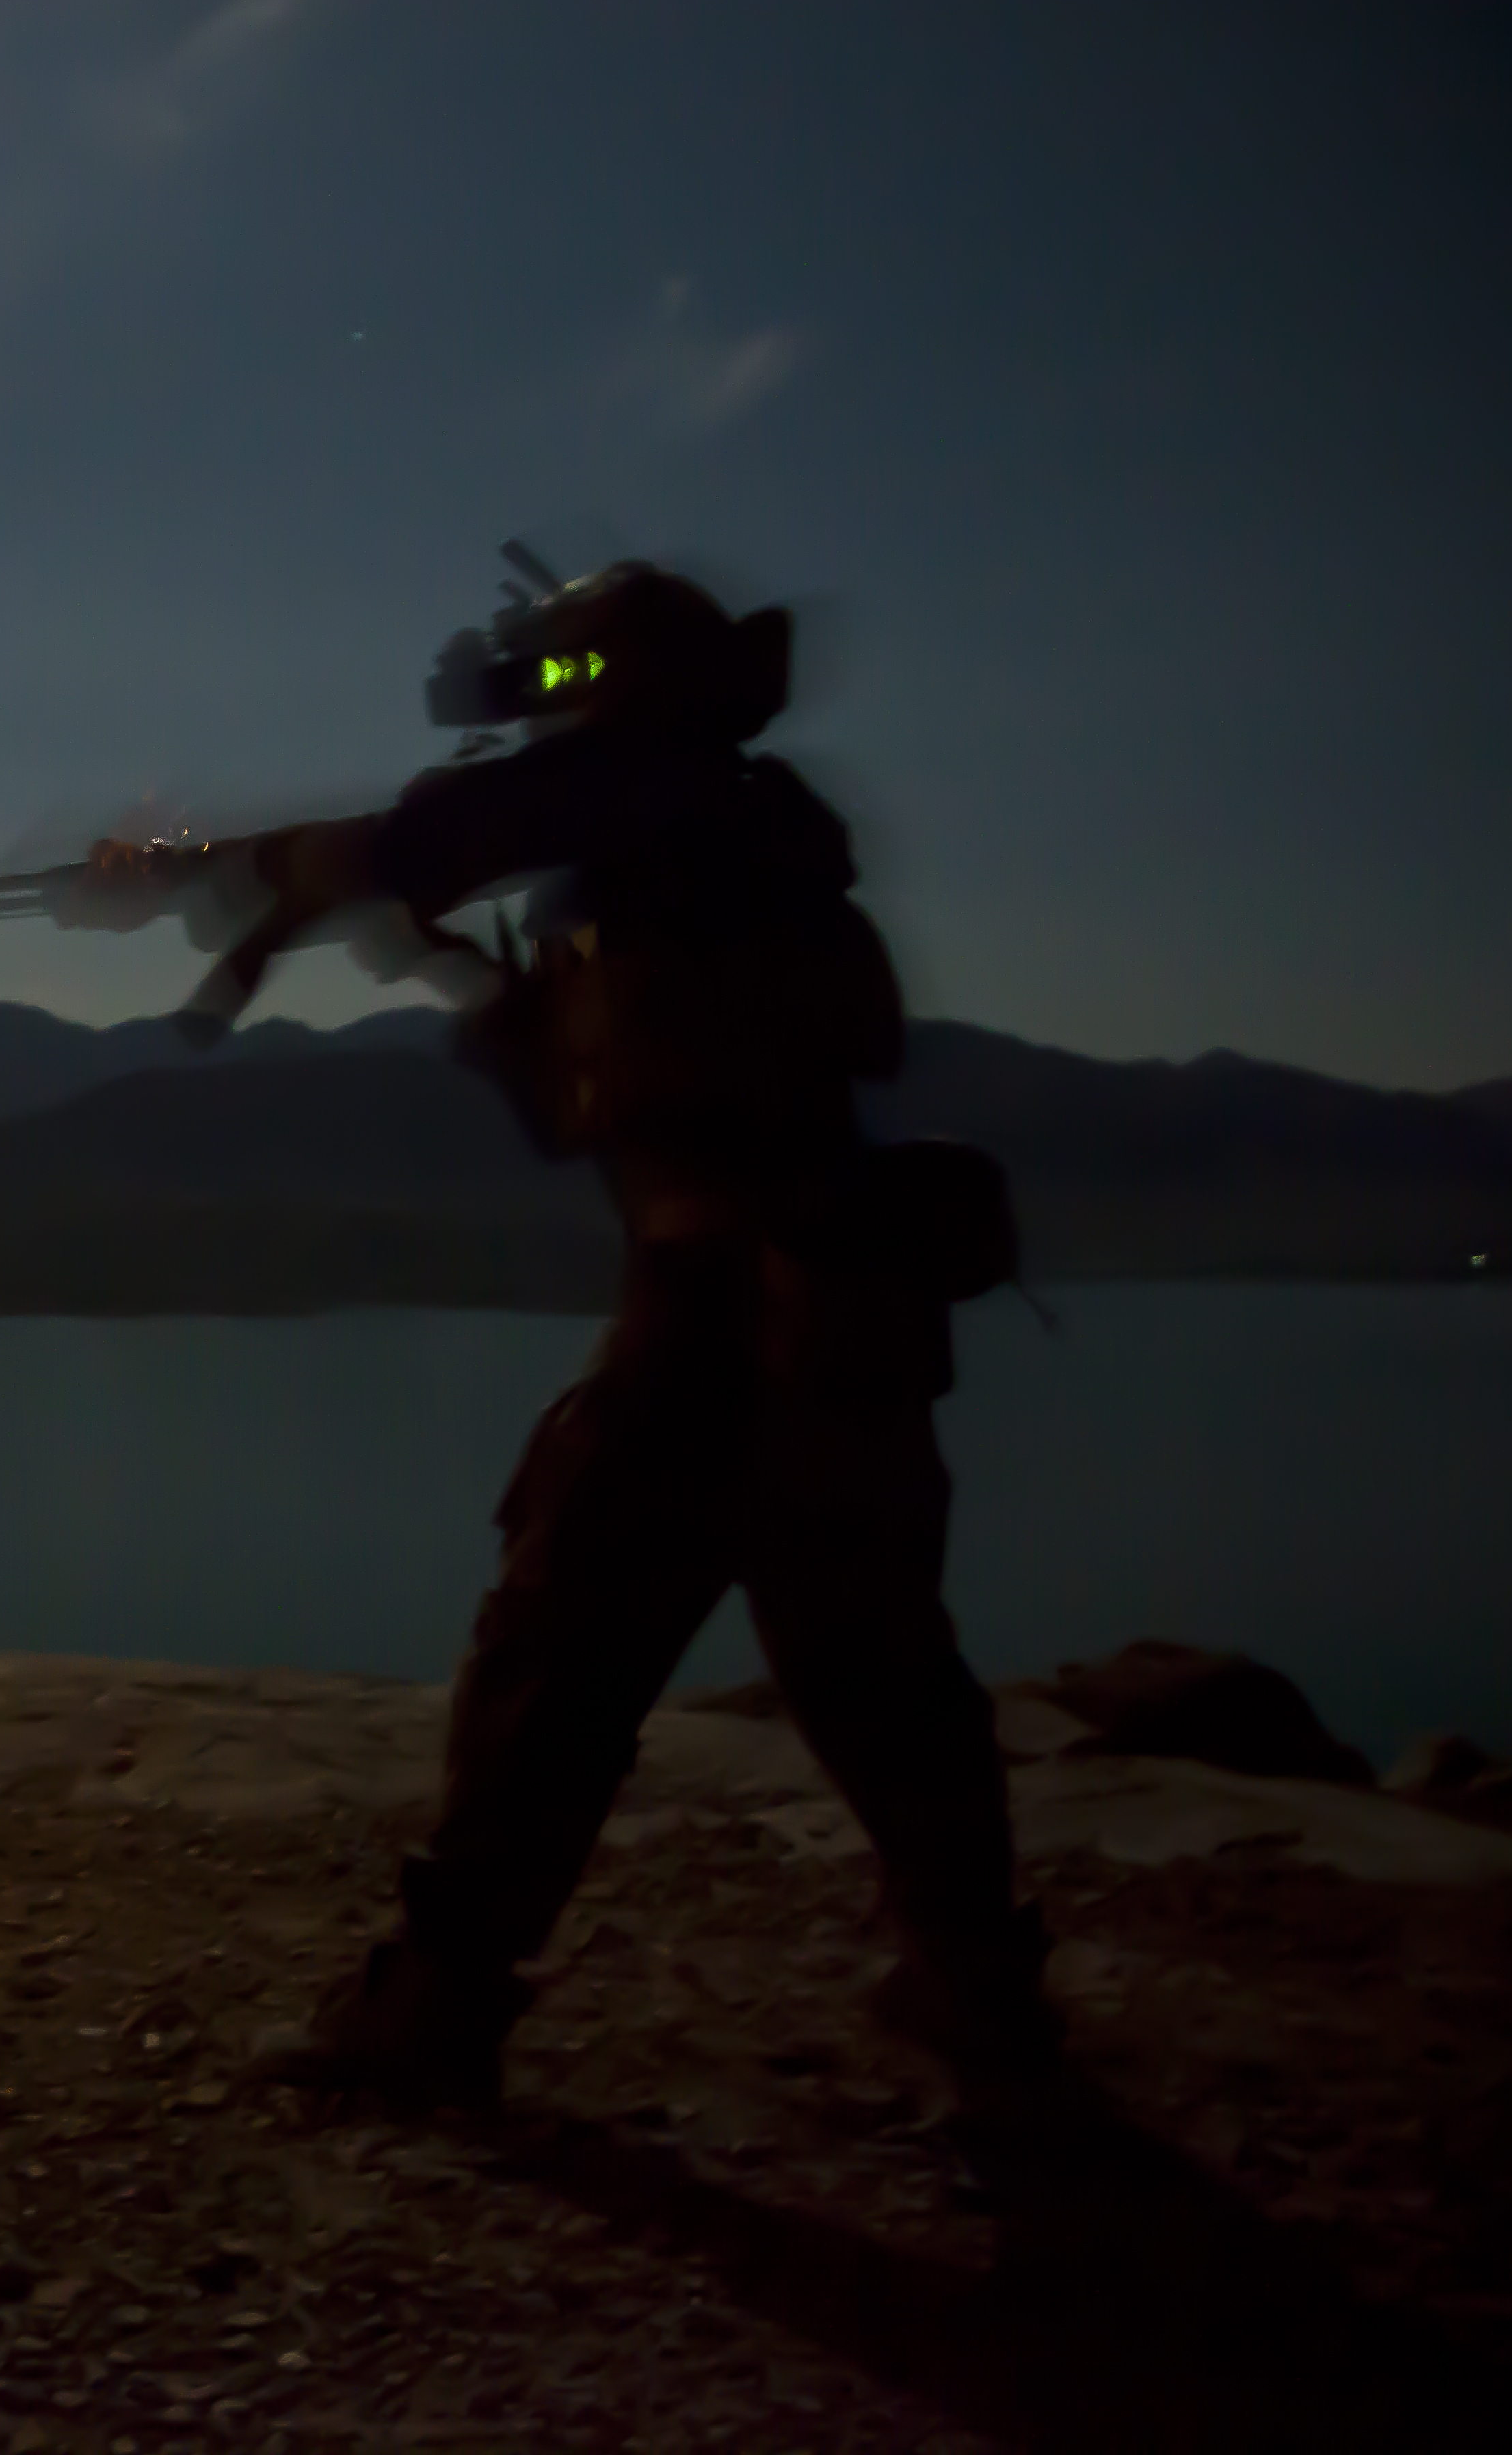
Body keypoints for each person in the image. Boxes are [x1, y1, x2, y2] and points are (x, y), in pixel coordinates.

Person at [67, 560, 1065, 2129]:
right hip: (834, 1311)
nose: (544, 708)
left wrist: (223, 869)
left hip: (724, 1315)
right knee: (878, 1675)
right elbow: (575, 1033)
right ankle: (982, 1999)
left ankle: (435, 2013)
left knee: (558, 1655)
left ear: (624, 687)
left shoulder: (657, 802)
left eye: (567, 679)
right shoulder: (741, 831)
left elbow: (428, 840)